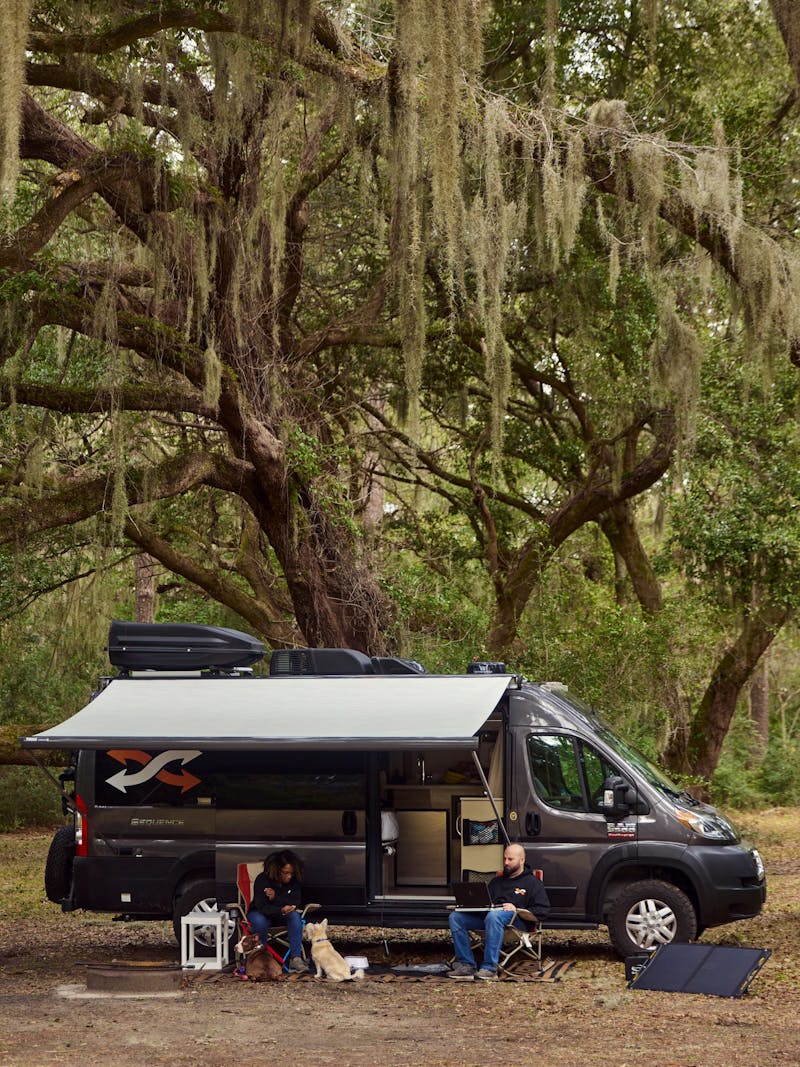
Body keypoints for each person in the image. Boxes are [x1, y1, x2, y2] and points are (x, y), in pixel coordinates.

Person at [448, 843, 550, 981]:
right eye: (504, 859)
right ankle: (466, 965)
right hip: (489, 919)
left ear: (522, 860)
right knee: (456, 917)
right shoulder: (497, 881)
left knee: (494, 915)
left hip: (516, 924)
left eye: (510, 859)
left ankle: (489, 968)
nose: (506, 863)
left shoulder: (532, 883)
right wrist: (471, 906)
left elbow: (542, 912)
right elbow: (487, 904)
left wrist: (517, 910)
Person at [247, 850, 309, 973]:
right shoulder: (262, 879)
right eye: (285, 873)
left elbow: (296, 901)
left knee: (295, 917)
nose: (289, 876)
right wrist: (280, 907)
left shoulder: (294, 881)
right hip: (260, 912)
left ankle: (295, 958)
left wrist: (276, 898)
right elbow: (262, 906)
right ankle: (260, 957)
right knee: (260, 921)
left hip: (280, 914)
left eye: (291, 873)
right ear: (276, 870)